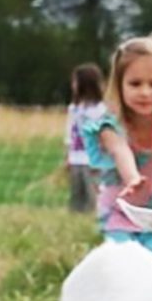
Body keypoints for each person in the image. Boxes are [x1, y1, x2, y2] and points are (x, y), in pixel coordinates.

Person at [82, 31, 152, 263]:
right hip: (119, 211)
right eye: (135, 84)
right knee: (122, 266)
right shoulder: (109, 125)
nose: (145, 92)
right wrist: (132, 177)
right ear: (120, 85)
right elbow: (119, 150)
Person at [64, 63, 106, 213]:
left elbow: (104, 136)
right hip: (76, 158)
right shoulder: (74, 108)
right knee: (76, 194)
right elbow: (69, 133)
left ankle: (93, 218)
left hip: (92, 160)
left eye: (75, 81)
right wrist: (67, 156)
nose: (73, 85)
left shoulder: (101, 110)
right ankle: (75, 217)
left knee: (92, 194)